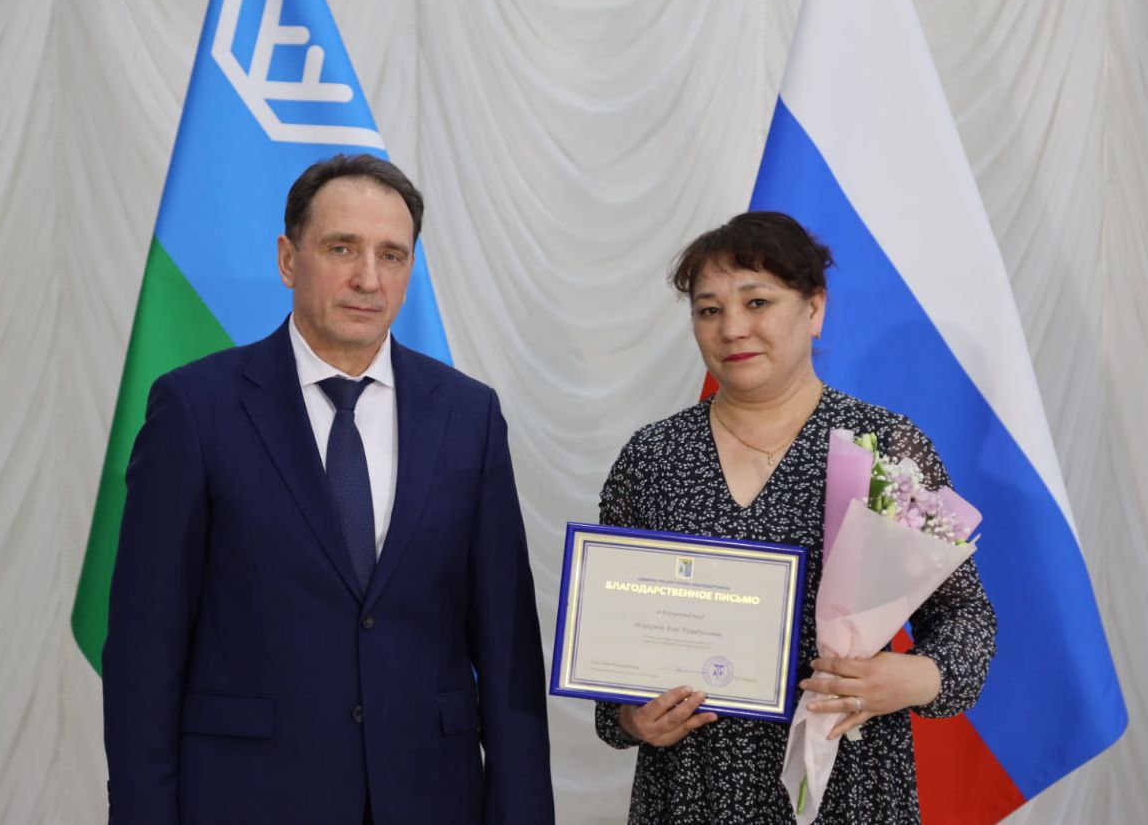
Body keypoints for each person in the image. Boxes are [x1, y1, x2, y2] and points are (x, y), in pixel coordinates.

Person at [103, 154, 554, 825]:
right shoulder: (196, 409)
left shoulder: (469, 415)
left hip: (430, 797)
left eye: (391, 255)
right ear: (289, 259)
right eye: (342, 248)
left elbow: (508, 647)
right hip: (248, 799)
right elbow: (145, 649)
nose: (368, 278)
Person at [593, 211, 997, 823]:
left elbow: (965, 614)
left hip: (847, 780)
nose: (732, 328)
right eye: (708, 310)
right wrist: (629, 718)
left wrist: (919, 677)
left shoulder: (883, 448)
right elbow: (609, 639)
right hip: (693, 786)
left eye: (757, 302)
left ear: (814, 309)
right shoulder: (653, 458)